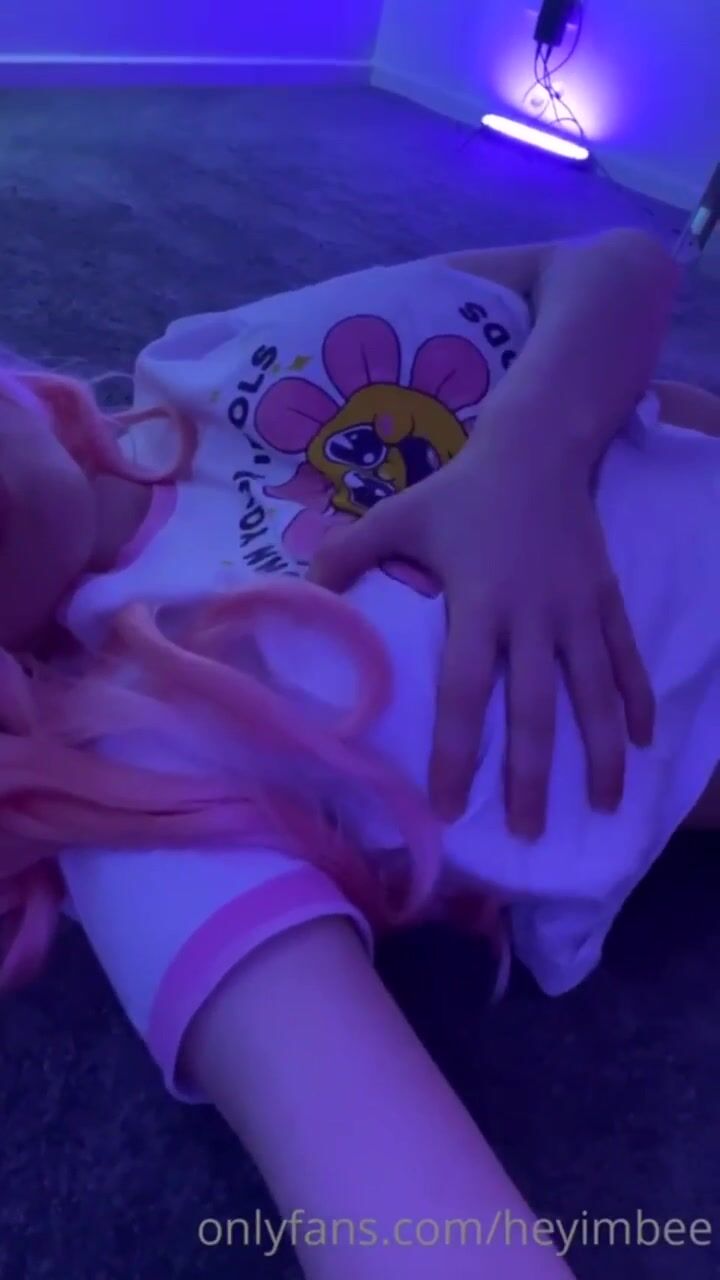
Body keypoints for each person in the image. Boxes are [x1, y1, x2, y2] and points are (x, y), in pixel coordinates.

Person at [1, 227, 719, 1280]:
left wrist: (530, 454)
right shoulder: (130, 767)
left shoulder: (202, 356)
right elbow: (407, 1216)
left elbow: (612, 259)